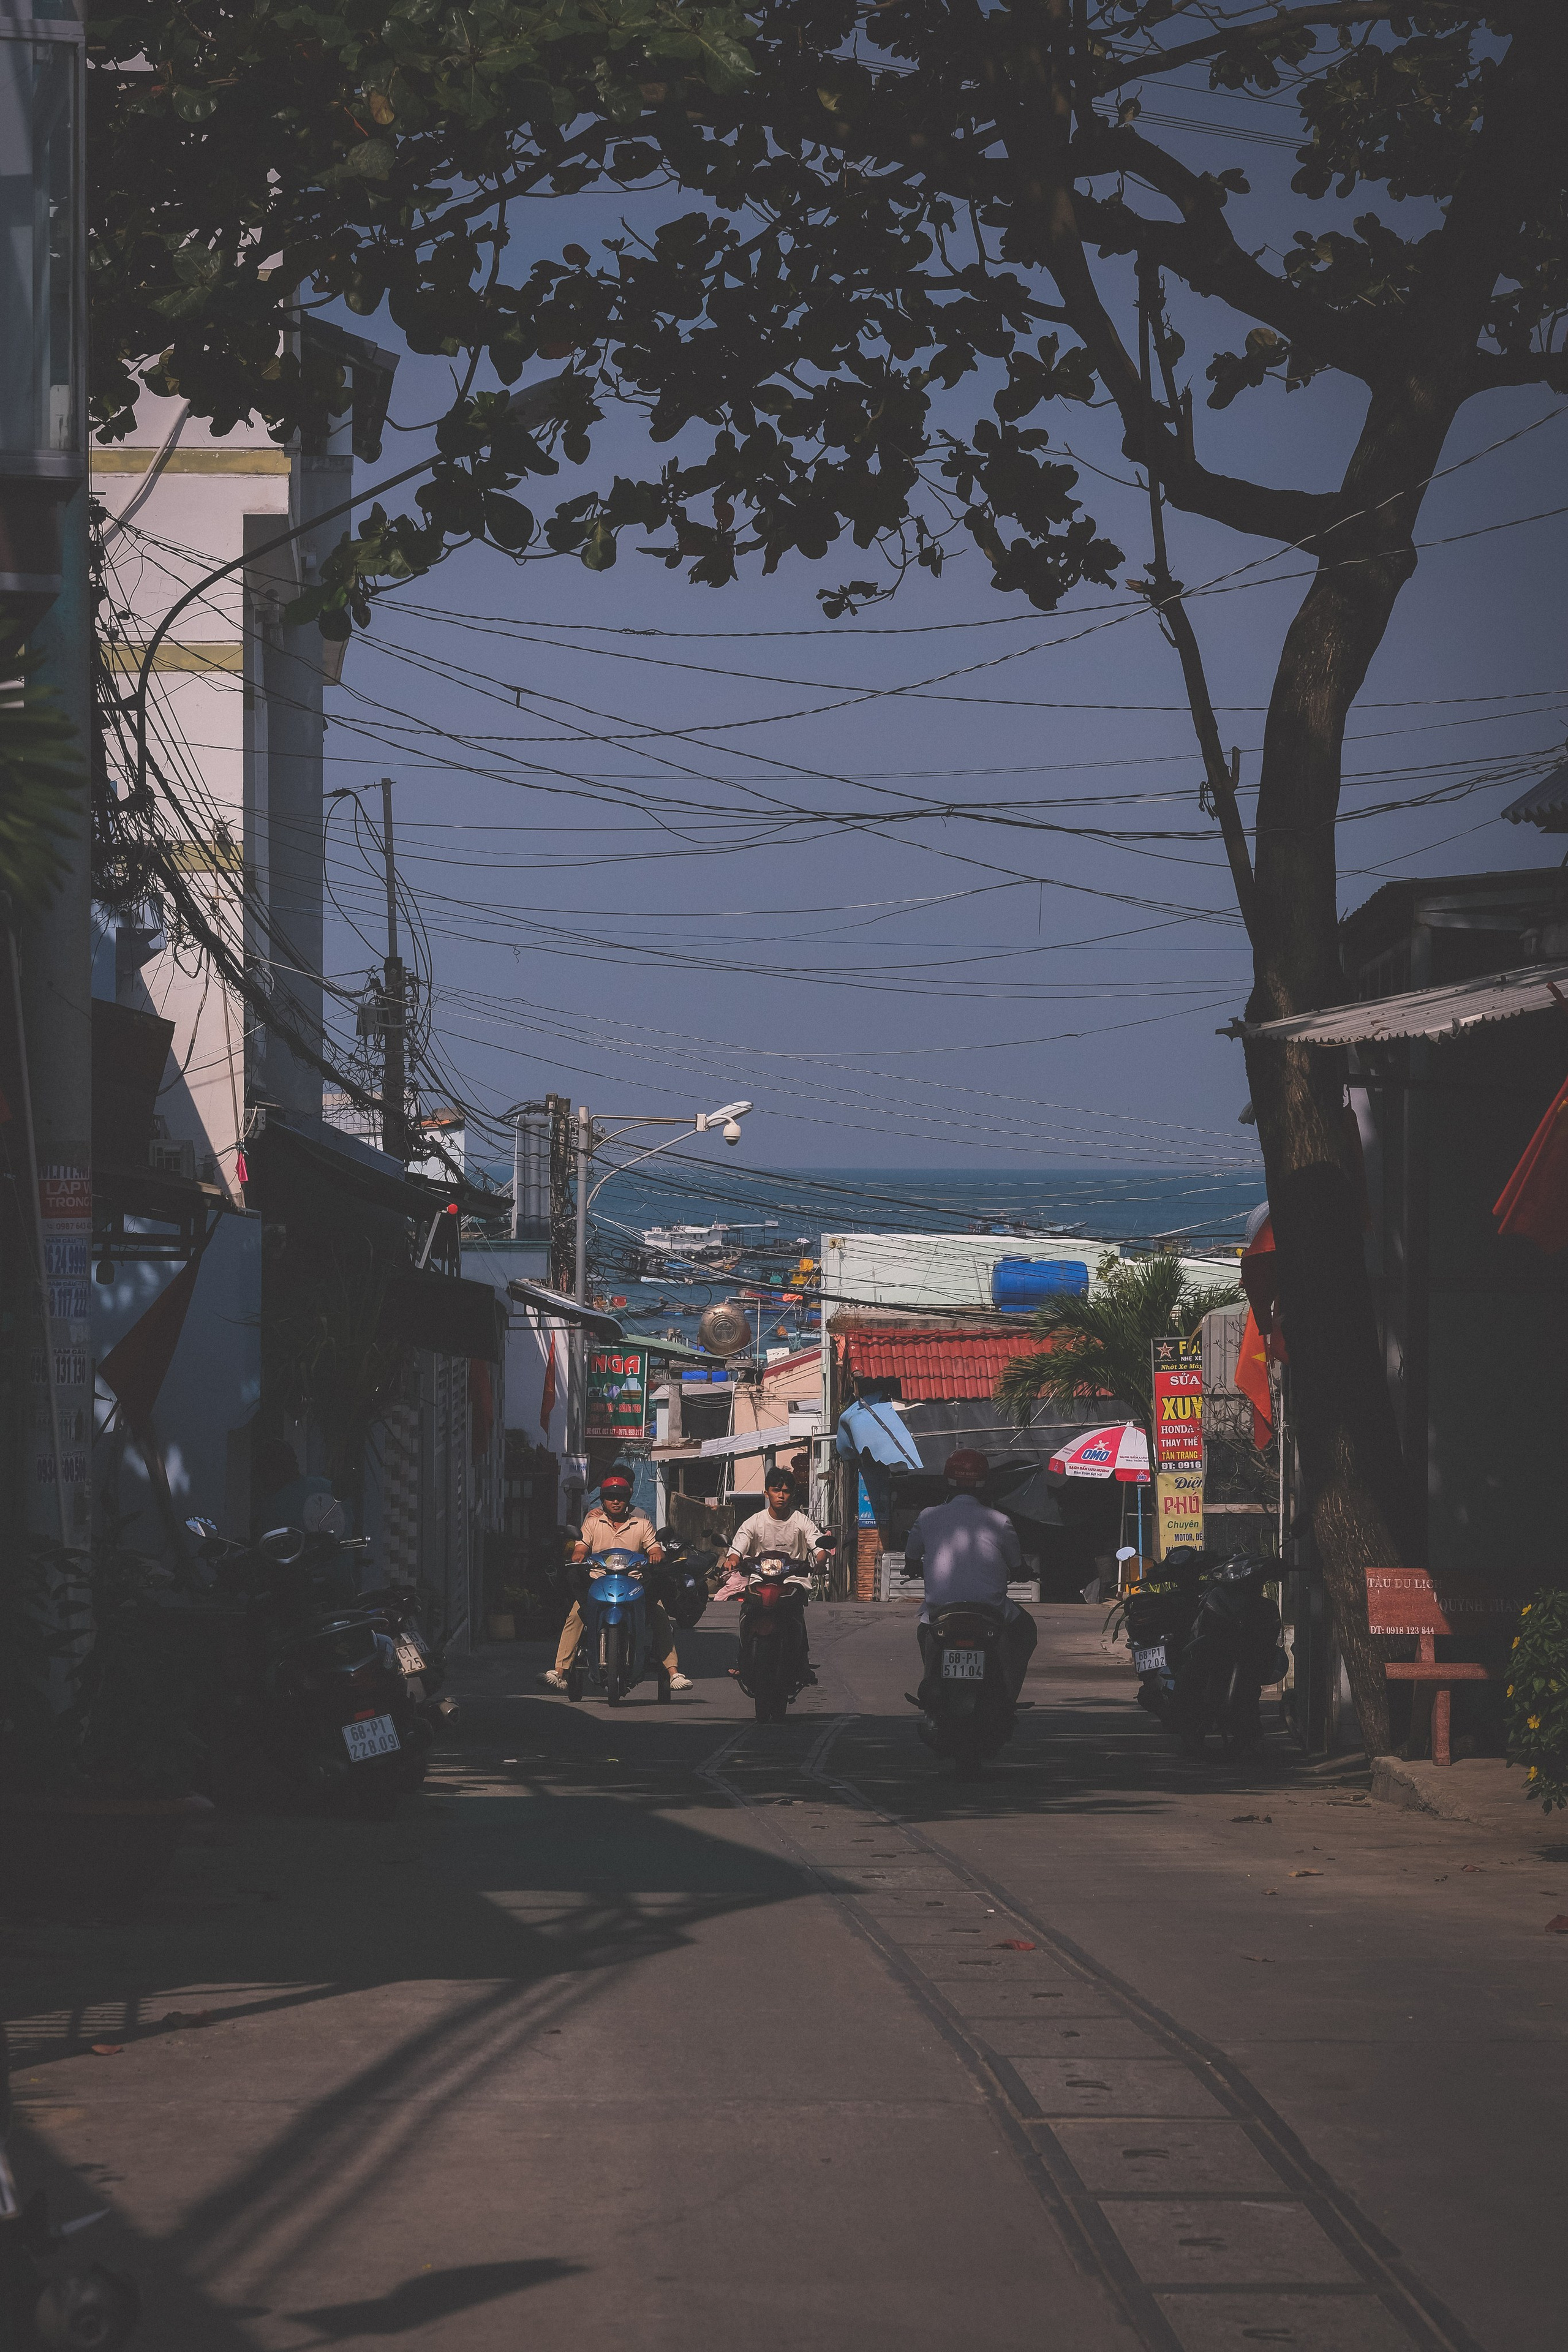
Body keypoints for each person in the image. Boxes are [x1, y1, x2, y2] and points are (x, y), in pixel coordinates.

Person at [538, 1467, 690, 1693]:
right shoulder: (592, 1523)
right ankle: (560, 1672)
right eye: (610, 1497)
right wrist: (579, 1554)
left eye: (620, 1497)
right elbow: (582, 1546)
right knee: (576, 1615)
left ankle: (673, 1672)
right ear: (604, 1500)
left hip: (634, 1585)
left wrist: (656, 1555)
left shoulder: (642, 1524)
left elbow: (654, 1547)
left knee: (659, 1613)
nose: (616, 1502)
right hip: (598, 1582)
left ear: (628, 1499)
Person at [904, 1449, 1038, 1700]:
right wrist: (1021, 1571)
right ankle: (1009, 1696)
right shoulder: (1000, 1520)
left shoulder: (928, 1516)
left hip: (941, 1611)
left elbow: (912, 1555)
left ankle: (930, 1681)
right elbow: (1016, 1562)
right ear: (985, 1483)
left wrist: (912, 1565)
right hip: (991, 1612)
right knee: (1026, 1629)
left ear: (948, 1481)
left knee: (925, 1630)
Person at [717, 1464, 825, 1677]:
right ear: (767, 1493)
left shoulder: (801, 1521)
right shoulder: (754, 1522)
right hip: (760, 1579)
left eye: (785, 1491)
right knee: (747, 1610)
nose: (781, 1496)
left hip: (793, 1580)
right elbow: (739, 1546)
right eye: (776, 1490)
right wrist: (732, 1559)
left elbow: (819, 1546)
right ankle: (743, 1657)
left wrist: (821, 1559)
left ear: (792, 1495)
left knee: (795, 1612)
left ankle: (802, 1659)